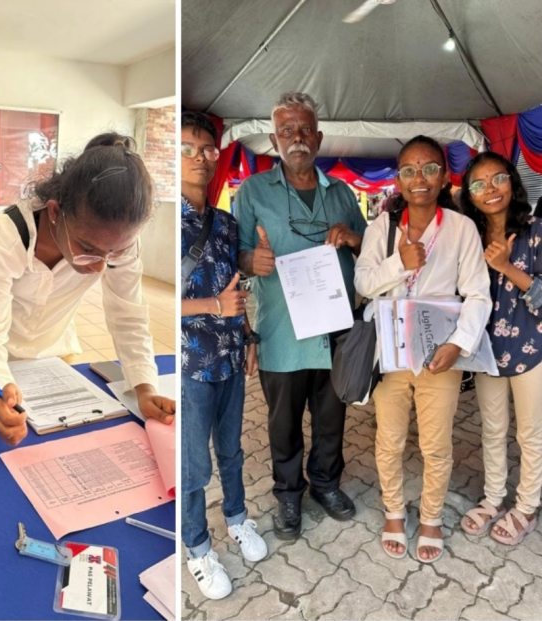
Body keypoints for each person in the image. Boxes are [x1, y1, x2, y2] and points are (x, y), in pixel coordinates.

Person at [0, 132, 175, 447]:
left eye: (114, 254)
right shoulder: (11, 233)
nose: (101, 266)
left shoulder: (119, 244)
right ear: (54, 211)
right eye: (88, 248)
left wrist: (144, 387)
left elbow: (128, 316)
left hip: (57, 357)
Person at [235, 92, 366, 539]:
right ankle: (289, 494)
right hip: (282, 334)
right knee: (283, 423)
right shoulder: (252, 192)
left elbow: (371, 253)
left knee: (331, 419)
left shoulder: (344, 194)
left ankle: (326, 485)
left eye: (305, 129)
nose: (297, 139)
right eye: (287, 131)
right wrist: (250, 261)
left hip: (335, 334)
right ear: (274, 139)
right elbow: (234, 254)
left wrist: (352, 238)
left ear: (319, 136)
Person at [355, 135, 490, 562]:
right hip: (391, 353)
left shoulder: (462, 229)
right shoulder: (381, 227)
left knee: (436, 444)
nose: (420, 178)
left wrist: (458, 344)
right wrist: (400, 263)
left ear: (444, 175)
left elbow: (479, 295)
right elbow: (362, 283)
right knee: (389, 440)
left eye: (430, 168)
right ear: (398, 179)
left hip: (439, 355)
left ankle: (430, 517)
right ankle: (394, 511)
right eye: (410, 170)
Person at [178, 111, 266, 601]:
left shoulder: (228, 224)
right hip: (191, 367)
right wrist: (212, 307)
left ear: (218, 157)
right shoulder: (161, 220)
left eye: (206, 150)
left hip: (230, 359)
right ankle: (196, 547)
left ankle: (237, 519)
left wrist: (248, 338)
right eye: (186, 148)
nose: (198, 158)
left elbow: (237, 290)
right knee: (194, 467)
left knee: (231, 452)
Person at [458, 152, 542, 546]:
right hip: (486, 351)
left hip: (532, 348)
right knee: (492, 429)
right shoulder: (467, 238)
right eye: (478, 184)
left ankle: (526, 505)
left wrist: (507, 267)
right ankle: (493, 499)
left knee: (531, 433)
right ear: (469, 196)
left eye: (498, 179)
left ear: (512, 181)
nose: (489, 190)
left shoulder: (536, 230)